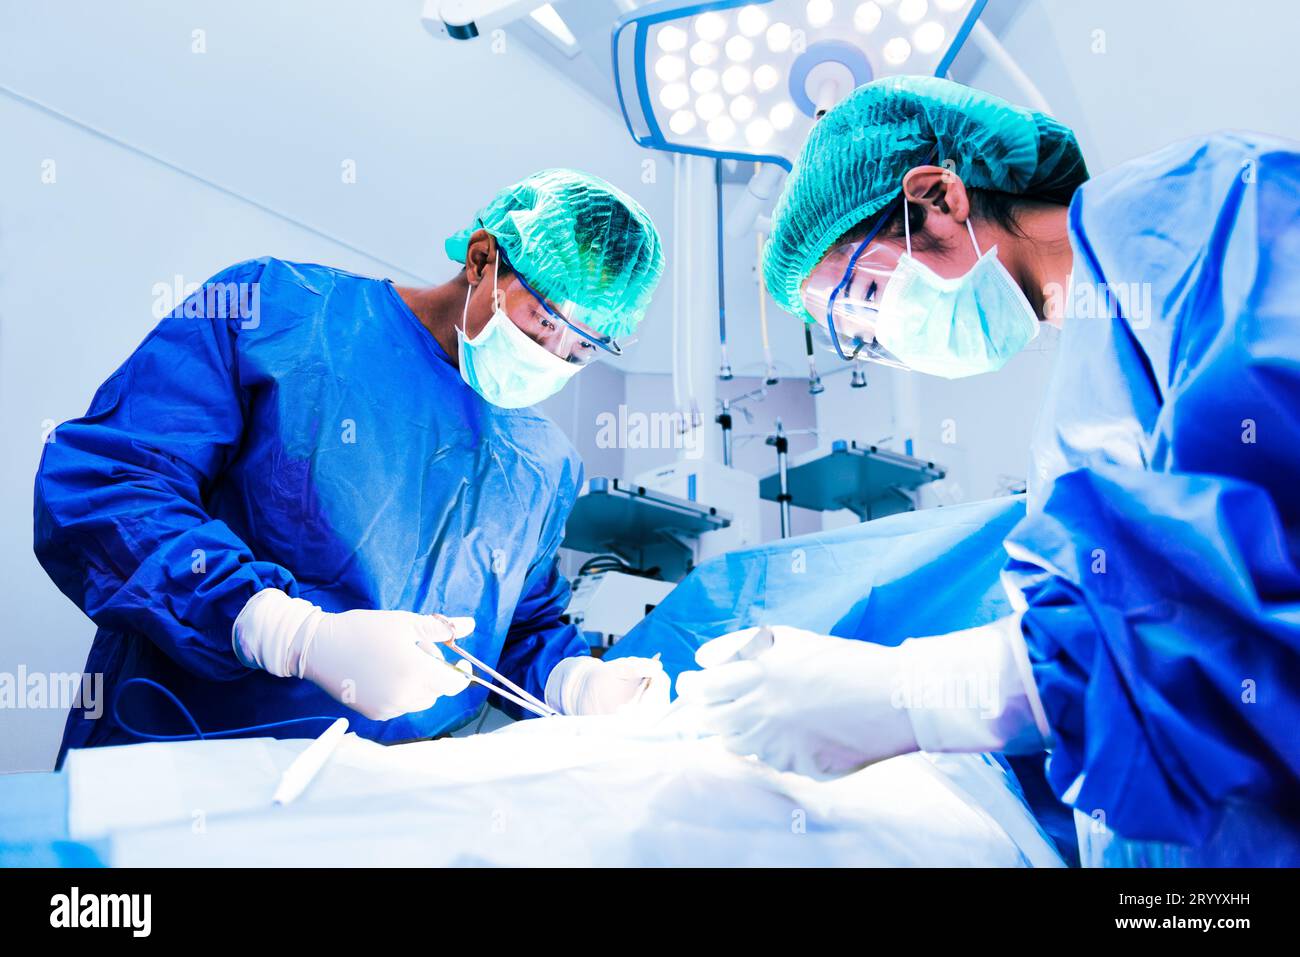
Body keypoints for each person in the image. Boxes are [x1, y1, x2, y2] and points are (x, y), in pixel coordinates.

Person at [675, 77, 1300, 865]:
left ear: (938, 195)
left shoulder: (1196, 212)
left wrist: (924, 692)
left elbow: (1262, 550)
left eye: (867, 295)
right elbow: (1112, 704)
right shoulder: (1068, 433)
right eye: (863, 342)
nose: (889, 344)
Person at [35, 168, 669, 763]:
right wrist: (292, 635)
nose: (554, 354)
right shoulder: (277, 313)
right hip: (191, 755)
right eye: (544, 319)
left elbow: (521, 622)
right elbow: (114, 485)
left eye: (585, 346)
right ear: (482, 260)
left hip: (384, 805)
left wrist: (576, 681)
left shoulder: (542, 461)